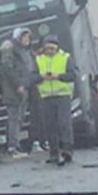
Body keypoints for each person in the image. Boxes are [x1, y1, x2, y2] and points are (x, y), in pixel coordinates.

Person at [36, 35, 76, 165]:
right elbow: (31, 77)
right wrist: (41, 77)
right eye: (47, 48)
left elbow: (72, 75)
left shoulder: (65, 58)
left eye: (52, 48)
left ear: (57, 47)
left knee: (64, 123)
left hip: (63, 96)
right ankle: (53, 153)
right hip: (46, 97)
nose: (49, 51)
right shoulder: (38, 60)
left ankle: (67, 150)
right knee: (49, 126)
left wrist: (58, 76)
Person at [0, 28, 37, 157]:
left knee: (20, 119)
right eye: (24, 37)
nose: (27, 40)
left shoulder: (27, 51)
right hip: (14, 91)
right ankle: (13, 147)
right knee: (13, 119)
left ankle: (16, 144)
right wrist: (18, 84)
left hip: (24, 88)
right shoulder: (10, 51)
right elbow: (8, 70)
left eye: (28, 37)